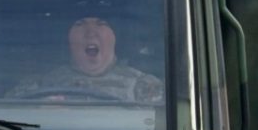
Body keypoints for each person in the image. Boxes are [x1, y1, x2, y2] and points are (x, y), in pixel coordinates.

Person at [8, 16, 163, 103]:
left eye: (101, 24)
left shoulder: (144, 86)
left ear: (115, 37)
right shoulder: (39, 85)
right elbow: (6, 121)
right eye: (79, 24)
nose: (90, 33)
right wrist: (40, 112)